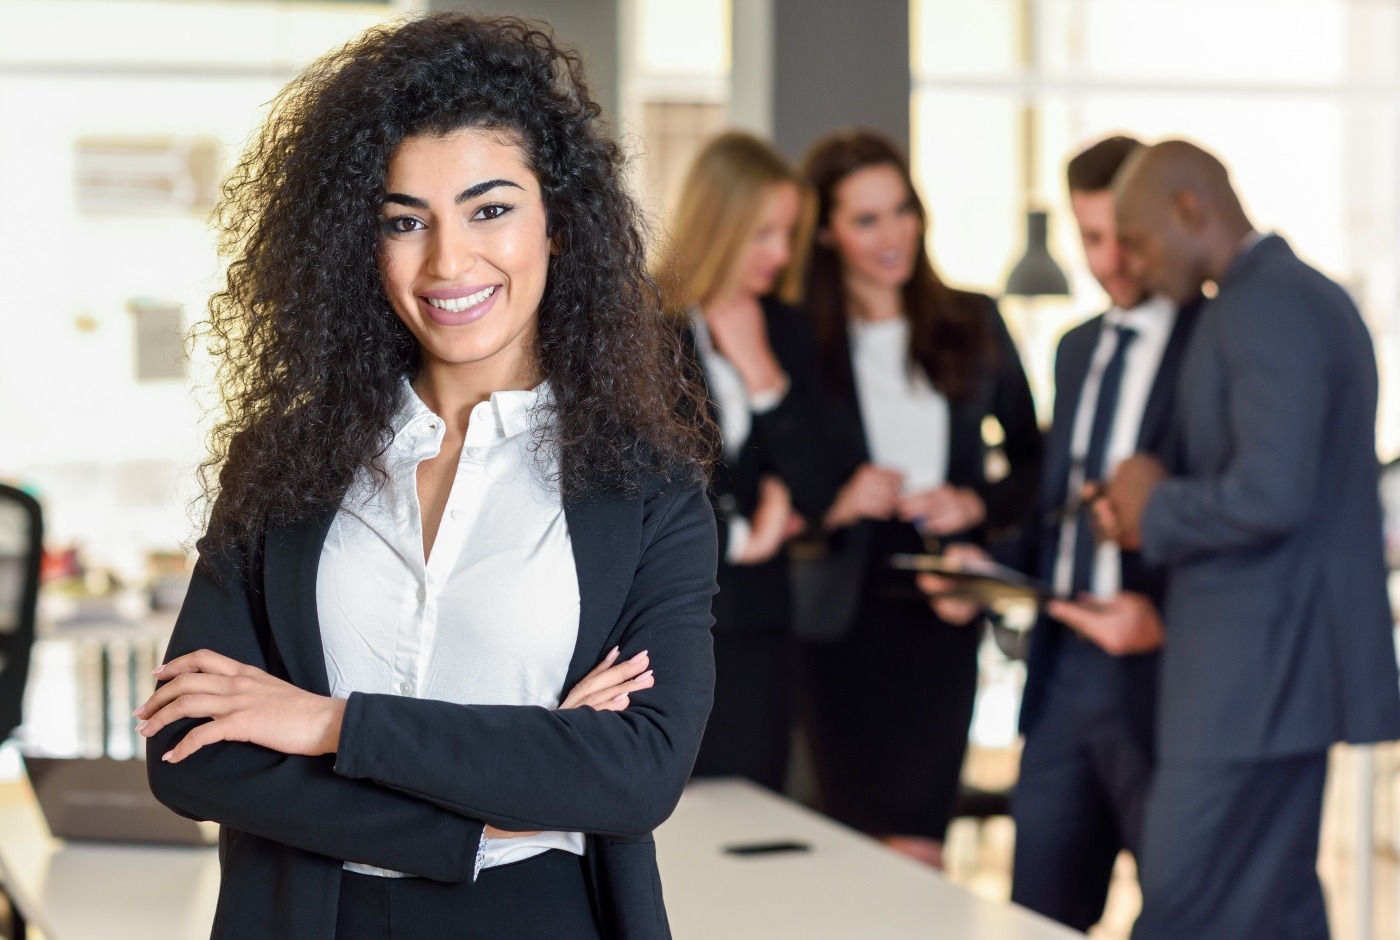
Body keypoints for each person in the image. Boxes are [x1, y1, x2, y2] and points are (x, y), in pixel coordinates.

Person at [135, 14, 718, 940]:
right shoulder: (284, 463)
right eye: (406, 222)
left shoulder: (648, 492)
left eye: (491, 209)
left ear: (558, 225)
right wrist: (488, 808)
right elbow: (190, 754)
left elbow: (637, 773)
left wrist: (326, 724)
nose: (448, 262)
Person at [1103, 139, 1400, 939]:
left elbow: (1271, 494)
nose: (1129, 262)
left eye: (1136, 238)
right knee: (1278, 910)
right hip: (1276, 669)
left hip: (1252, 675)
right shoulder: (1289, 296)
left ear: (1190, 208)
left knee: (1182, 904)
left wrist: (1153, 505)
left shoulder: (1263, 304)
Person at [794, 130, 1042, 868]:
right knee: (853, 843)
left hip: (940, 611)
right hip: (840, 619)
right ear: (830, 234)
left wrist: (974, 507)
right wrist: (839, 498)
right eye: (866, 220)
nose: (893, 233)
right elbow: (768, 474)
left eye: (901, 210)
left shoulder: (972, 320)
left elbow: (1034, 462)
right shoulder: (802, 340)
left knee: (920, 841)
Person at [992, 135, 1201, 931]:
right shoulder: (1077, 350)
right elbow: (1058, 507)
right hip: (1061, 678)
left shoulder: (1211, 344)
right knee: (1036, 916)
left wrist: (1169, 622)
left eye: (1124, 237)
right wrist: (989, 565)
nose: (1110, 260)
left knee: (1182, 910)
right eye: (1091, 239)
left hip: (1162, 679)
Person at [654, 131, 837, 791]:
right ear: (718, 223)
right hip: (665, 625)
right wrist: (742, 535)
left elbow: (818, 487)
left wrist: (764, 376)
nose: (780, 254)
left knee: (755, 813)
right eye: (763, 234)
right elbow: (639, 486)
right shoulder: (642, 326)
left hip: (760, 626)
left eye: (789, 234)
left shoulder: (785, 329)